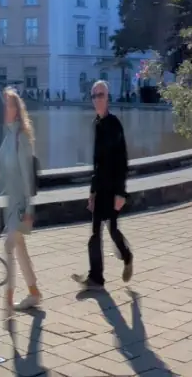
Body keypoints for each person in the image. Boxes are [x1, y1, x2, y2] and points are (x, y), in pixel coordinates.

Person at [74, 80, 132, 289]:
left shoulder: (114, 124)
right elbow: (97, 163)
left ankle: (127, 256)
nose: (97, 99)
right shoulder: (96, 124)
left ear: (107, 98)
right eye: (94, 96)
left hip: (113, 188)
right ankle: (96, 277)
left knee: (113, 231)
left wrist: (121, 193)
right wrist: (92, 191)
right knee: (94, 233)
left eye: (101, 95)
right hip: (100, 187)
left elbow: (122, 160)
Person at [0, 88, 42, 316]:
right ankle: (34, 292)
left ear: (17, 110)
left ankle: (8, 298)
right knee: (19, 248)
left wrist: (29, 208)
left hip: (20, 206)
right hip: (11, 203)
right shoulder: (7, 136)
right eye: (3, 104)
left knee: (9, 247)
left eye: (9, 104)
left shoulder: (20, 137)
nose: (5, 108)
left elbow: (27, 175)